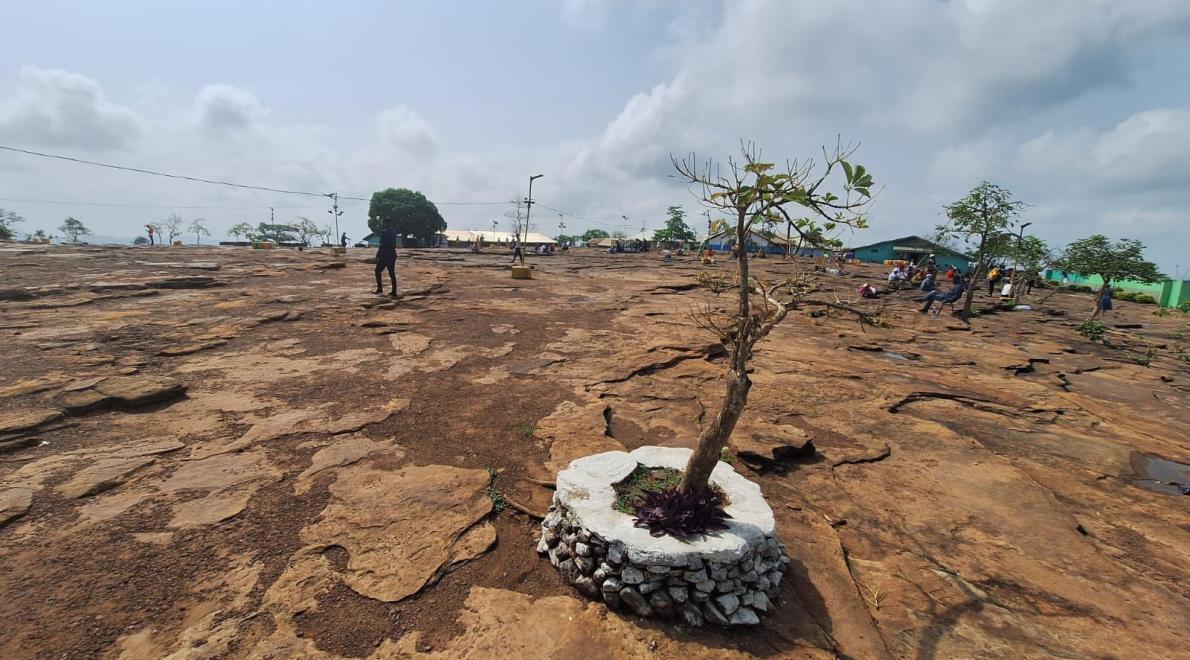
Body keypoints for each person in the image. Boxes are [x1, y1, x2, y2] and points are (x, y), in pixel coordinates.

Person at [372, 226, 398, 298]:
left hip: (384, 255)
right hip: (392, 254)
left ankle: (380, 289)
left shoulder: (384, 233)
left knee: (377, 271)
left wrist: (377, 255)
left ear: (385, 223)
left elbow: (381, 245)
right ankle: (394, 291)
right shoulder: (393, 232)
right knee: (392, 273)